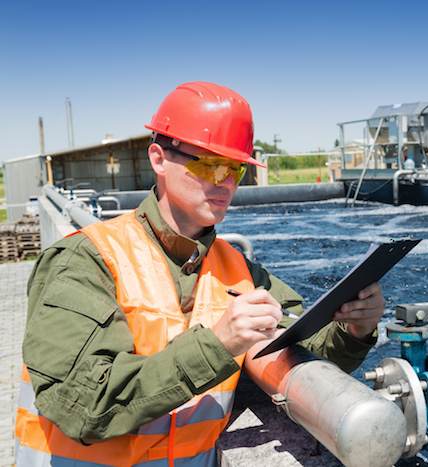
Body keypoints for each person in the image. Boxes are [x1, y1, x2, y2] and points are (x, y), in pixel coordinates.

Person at [15, 81, 385, 466]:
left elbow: (303, 353)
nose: (225, 182)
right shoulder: (83, 260)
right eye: (210, 164)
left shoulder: (238, 268)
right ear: (158, 158)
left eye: (236, 170)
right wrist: (220, 344)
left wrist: (353, 329)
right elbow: (80, 404)